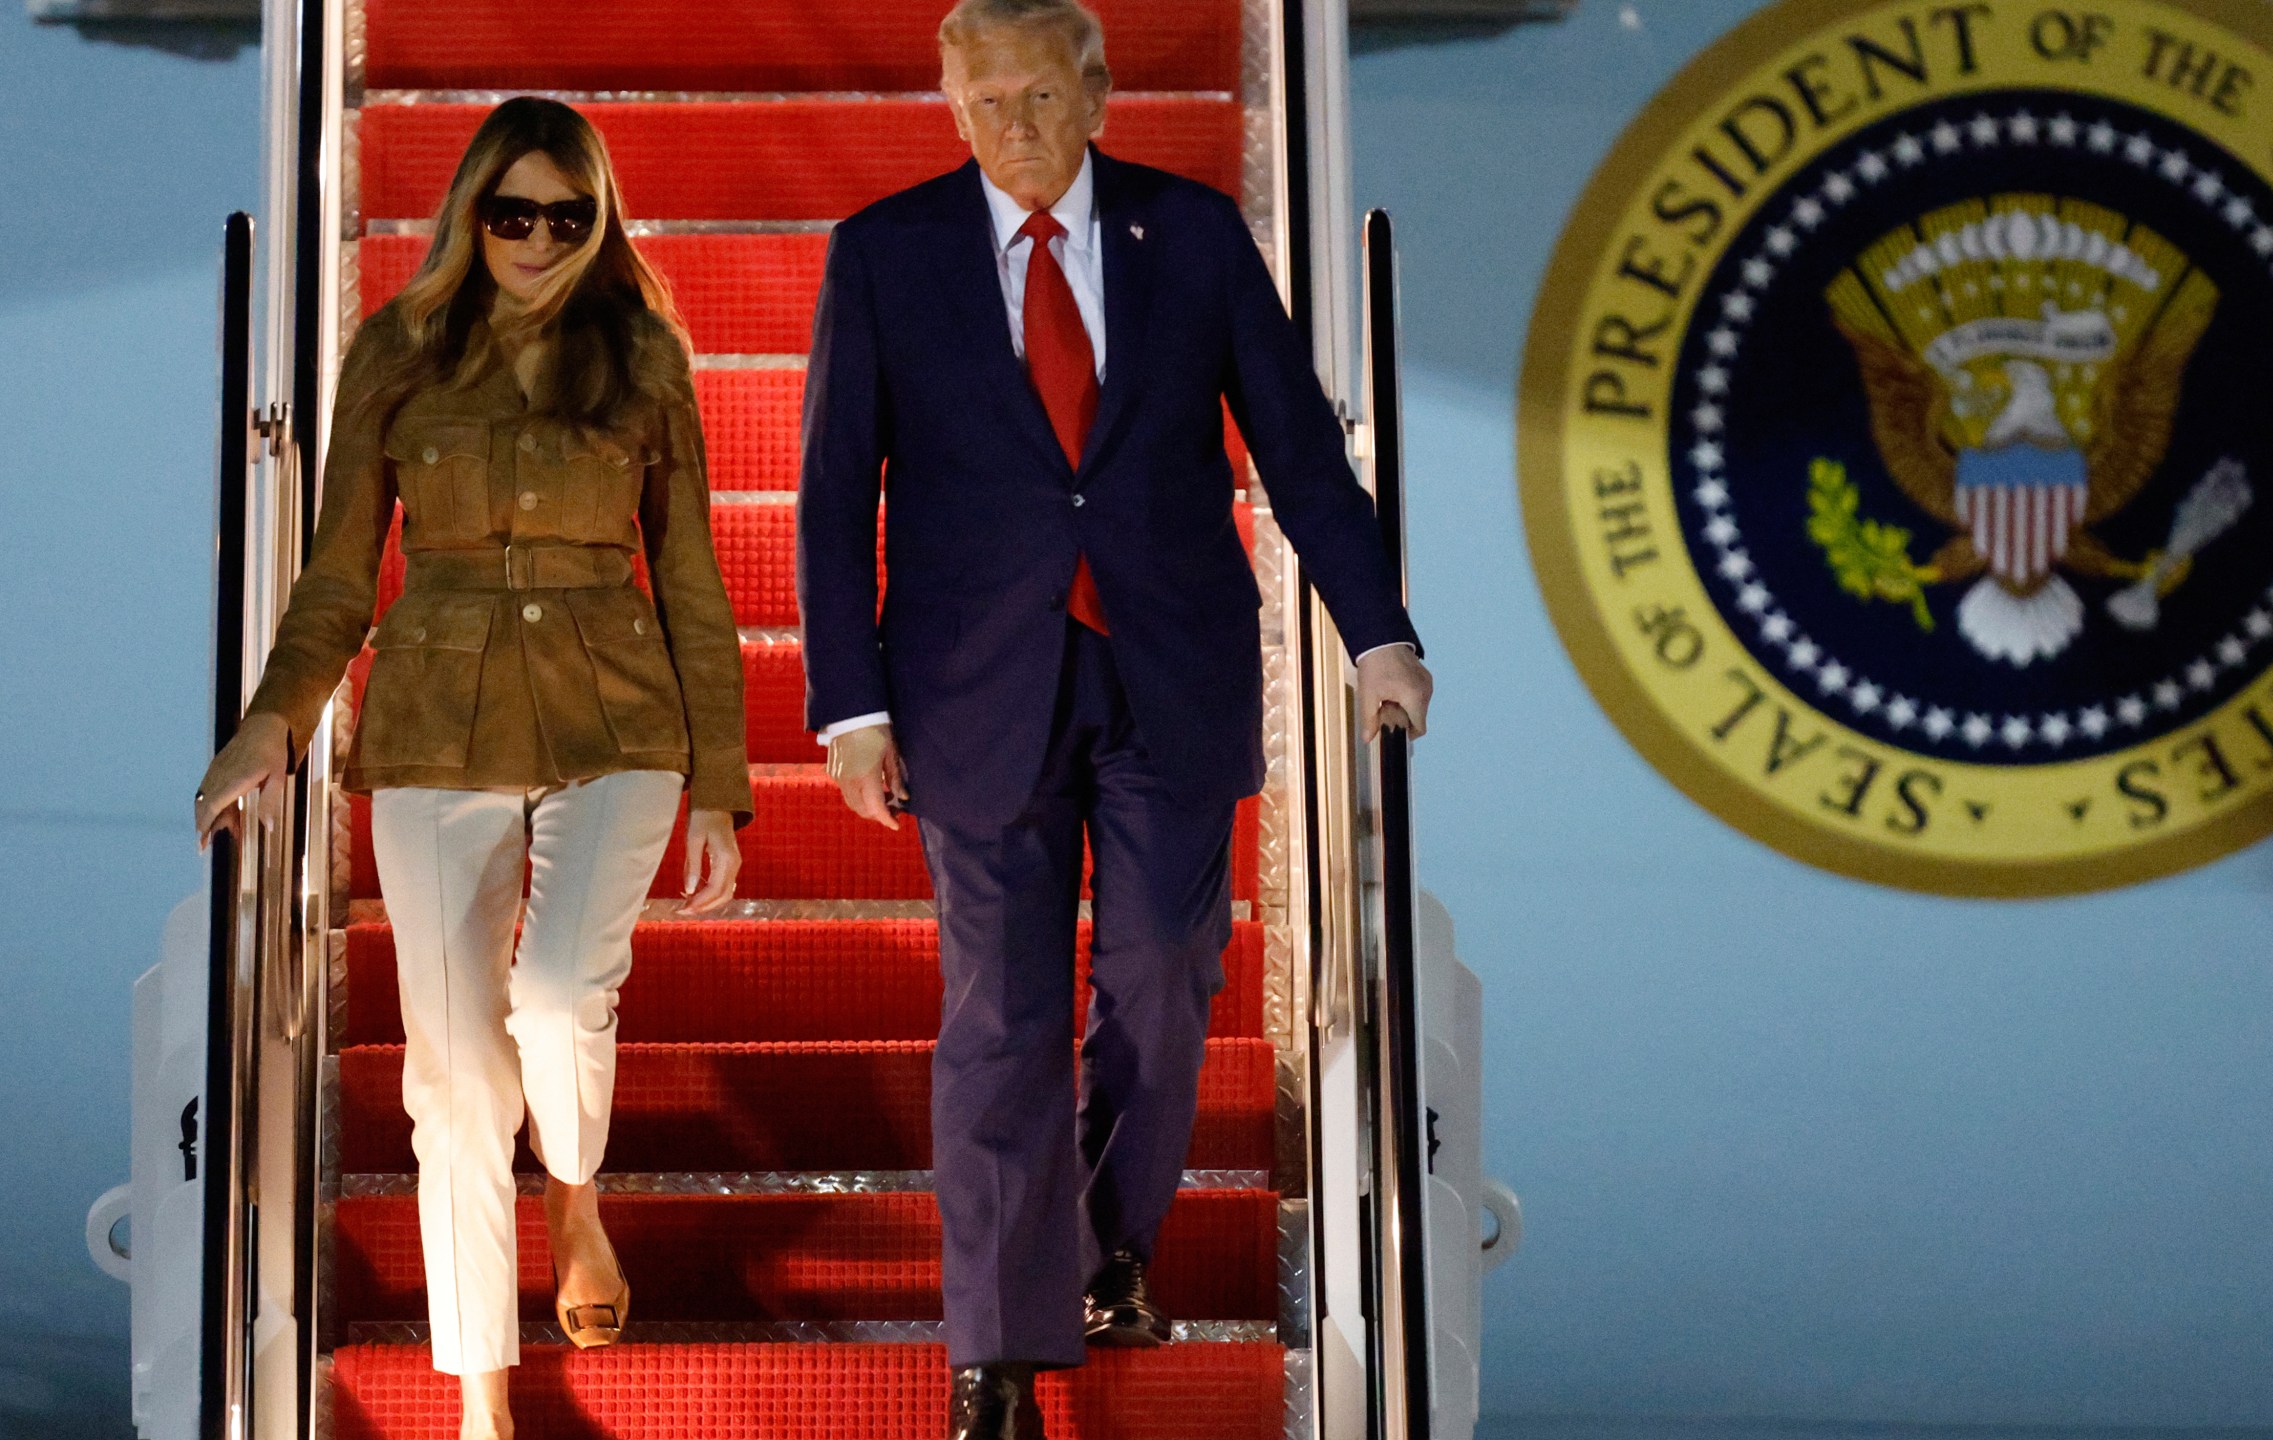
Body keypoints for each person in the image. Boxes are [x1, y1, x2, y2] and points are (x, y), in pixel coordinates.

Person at [797, 2, 1432, 1434]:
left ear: (1096, 93)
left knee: (1162, 970)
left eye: (1036, 94)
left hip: (1168, 671)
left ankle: (1106, 1239)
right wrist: (850, 707)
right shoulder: (886, 254)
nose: (1011, 125)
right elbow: (837, 497)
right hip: (972, 690)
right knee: (999, 1021)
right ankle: (997, 1356)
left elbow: (1296, 452)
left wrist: (1378, 632)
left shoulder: (1192, 234)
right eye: (983, 102)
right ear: (951, 110)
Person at [192, 96, 753, 1440]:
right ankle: (483, 1402)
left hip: (618, 719)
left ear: (599, 218)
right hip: (435, 721)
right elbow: (337, 574)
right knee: (451, 1077)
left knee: (559, 997)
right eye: (516, 213)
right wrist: (272, 725)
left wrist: (723, 780)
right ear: (470, 214)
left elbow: (691, 575)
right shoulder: (394, 349)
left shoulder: (643, 352)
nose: (543, 240)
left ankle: (571, 1186)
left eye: (571, 215)